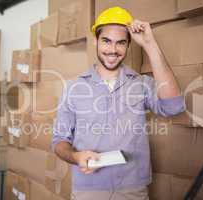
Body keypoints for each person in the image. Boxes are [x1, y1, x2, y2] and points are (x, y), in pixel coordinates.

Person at [52, 7, 185, 200]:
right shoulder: (73, 88)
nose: (113, 50)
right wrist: (75, 157)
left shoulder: (141, 83)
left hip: (132, 189)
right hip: (88, 190)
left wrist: (150, 45)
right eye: (106, 41)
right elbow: (59, 141)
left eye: (121, 43)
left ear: (128, 45)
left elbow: (173, 106)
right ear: (96, 40)